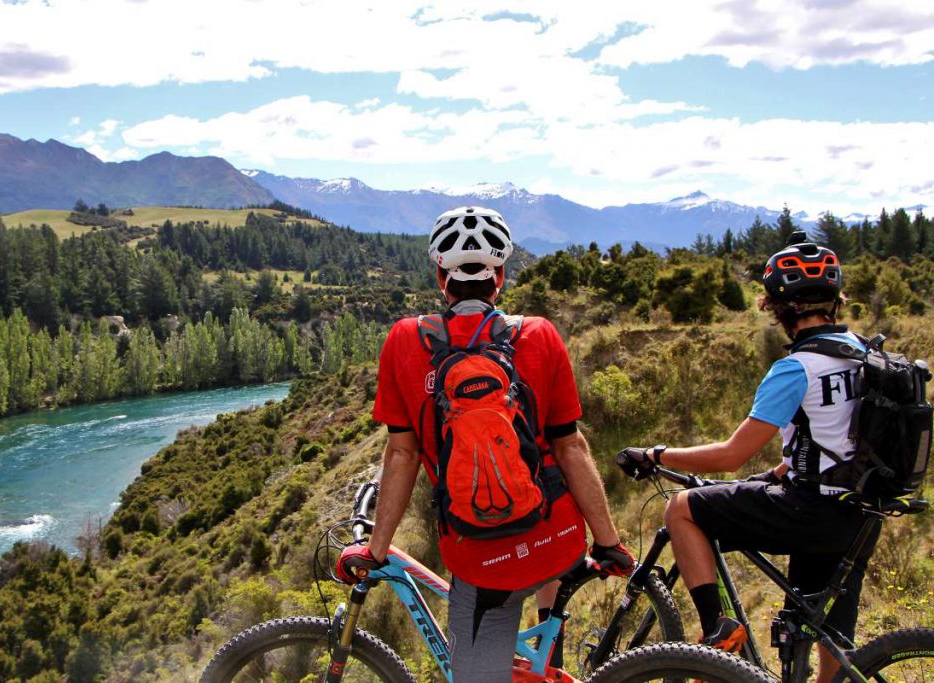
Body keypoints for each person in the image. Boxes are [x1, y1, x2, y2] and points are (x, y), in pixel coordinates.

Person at [336, 206, 633, 682]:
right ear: (500, 275)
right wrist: (609, 541)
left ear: (440, 276)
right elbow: (570, 447)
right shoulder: (539, 334)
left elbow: (402, 455)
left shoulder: (405, 342)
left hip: (482, 560)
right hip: (557, 541)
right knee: (544, 590)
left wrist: (375, 551)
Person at [621, 234, 880, 683]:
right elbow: (837, 435)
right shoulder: (866, 353)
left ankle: (719, 630)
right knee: (826, 633)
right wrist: (780, 470)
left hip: (810, 510)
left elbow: (730, 455)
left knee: (681, 510)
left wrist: (654, 453)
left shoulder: (795, 368)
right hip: (859, 511)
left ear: (778, 308)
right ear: (835, 302)